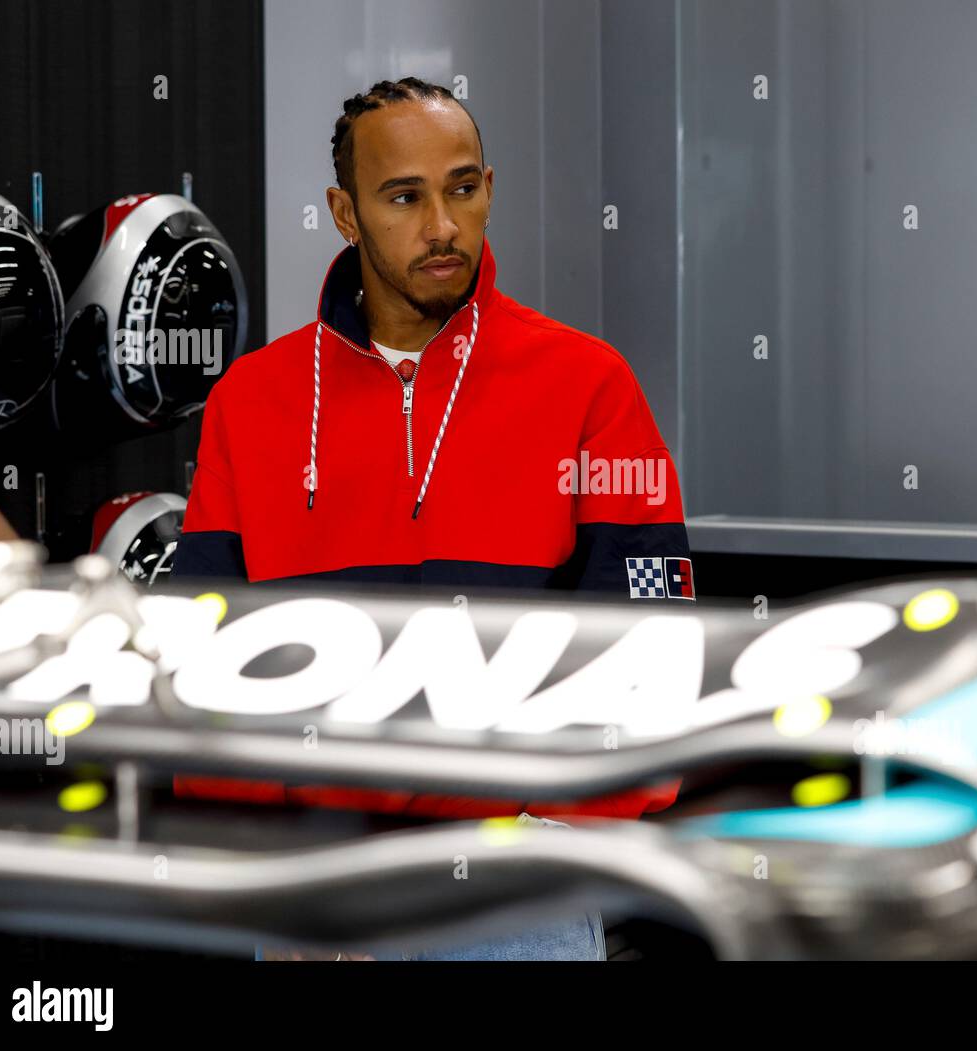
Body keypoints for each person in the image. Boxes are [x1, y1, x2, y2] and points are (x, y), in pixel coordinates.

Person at [171, 77, 693, 959]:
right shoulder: (251, 402)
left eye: (461, 188)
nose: (442, 225)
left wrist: (556, 841)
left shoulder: (589, 385)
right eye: (404, 197)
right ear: (345, 212)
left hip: (517, 898)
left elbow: (654, 641)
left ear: (489, 188)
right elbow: (206, 660)